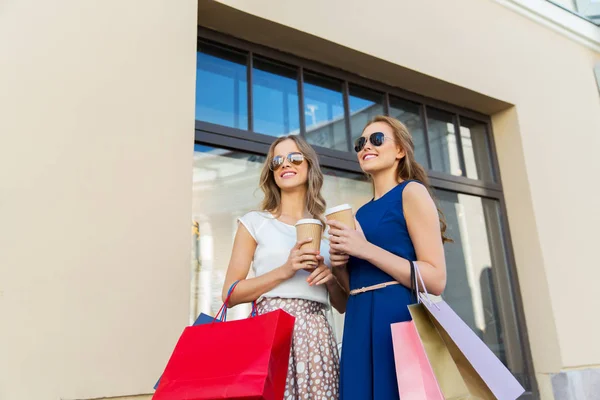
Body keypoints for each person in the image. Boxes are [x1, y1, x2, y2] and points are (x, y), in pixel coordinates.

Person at [327, 115, 449, 400]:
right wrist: (338, 267)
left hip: (398, 323)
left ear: (400, 151)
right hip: (357, 326)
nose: (365, 146)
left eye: (377, 139)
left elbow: (435, 278)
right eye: (360, 143)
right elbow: (350, 295)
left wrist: (365, 249)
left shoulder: (411, 192)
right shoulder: (359, 214)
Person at [222, 135, 347, 400]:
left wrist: (330, 280)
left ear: (309, 165)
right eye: (277, 160)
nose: (285, 164)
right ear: (271, 172)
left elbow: (343, 304)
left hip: (316, 336)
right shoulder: (255, 222)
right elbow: (230, 294)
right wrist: (286, 269)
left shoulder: (328, 230)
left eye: (294, 158)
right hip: (269, 333)